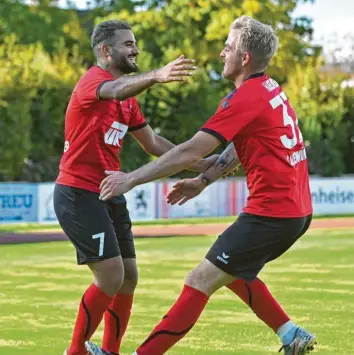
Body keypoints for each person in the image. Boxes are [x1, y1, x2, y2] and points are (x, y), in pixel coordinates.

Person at [95, 16, 317, 355]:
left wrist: (130, 179)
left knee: (199, 280)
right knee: (233, 270)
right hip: (296, 211)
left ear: (244, 58)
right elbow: (237, 146)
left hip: (272, 214)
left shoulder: (244, 98)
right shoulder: (270, 89)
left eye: (228, 48)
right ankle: (291, 334)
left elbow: (189, 150)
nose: (221, 54)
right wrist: (203, 180)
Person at [53, 19, 218, 355]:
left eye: (134, 43)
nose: (135, 49)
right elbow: (115, 89)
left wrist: (197, 163)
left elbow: (152, 142)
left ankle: (110, 351)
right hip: (78, 193)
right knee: (111, 275)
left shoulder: (129, 100)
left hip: (111, 191)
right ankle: (76, 351)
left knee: (128, 277)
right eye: (128, 44)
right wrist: (156, 75)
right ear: (105, 50)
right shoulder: (93, 82)